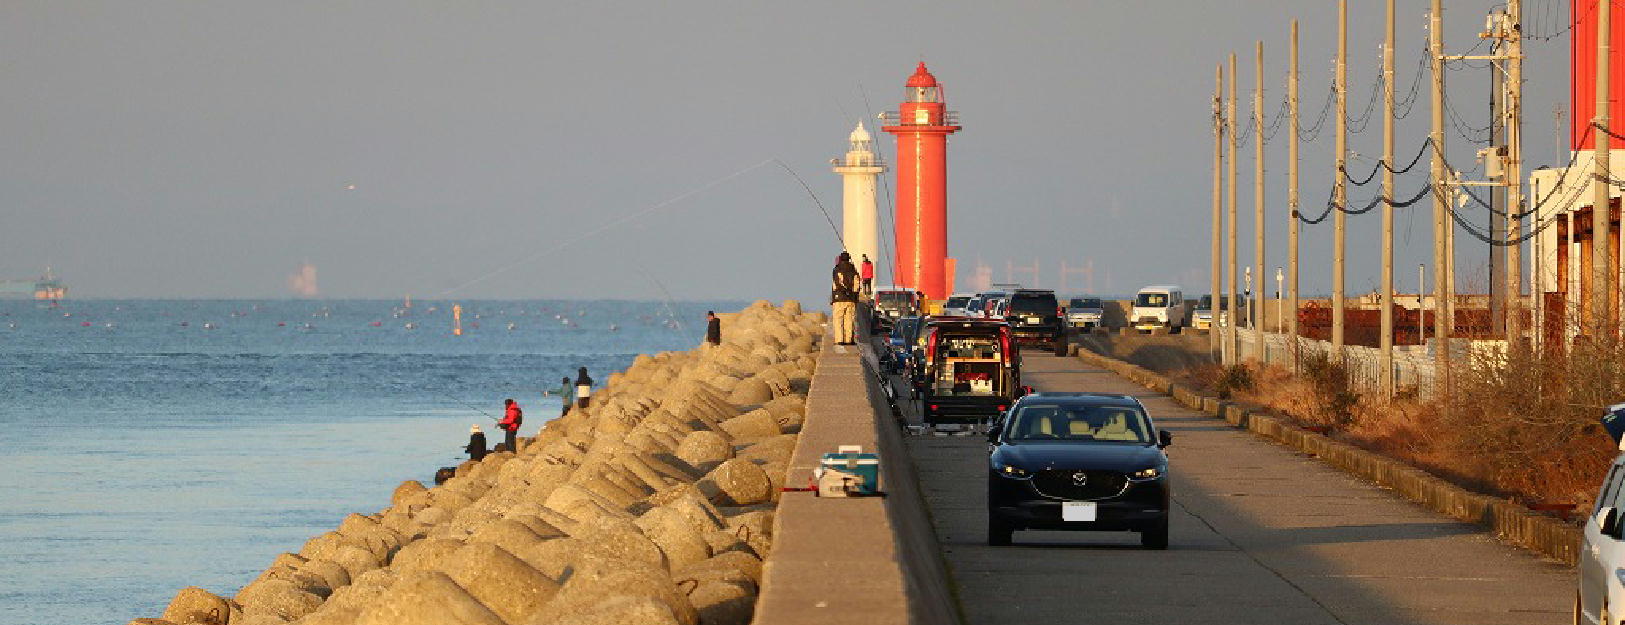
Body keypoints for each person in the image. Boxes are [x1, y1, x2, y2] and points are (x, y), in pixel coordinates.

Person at [831, 251, 860, 345]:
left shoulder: (837, 269)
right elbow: (857, 285)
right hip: (851, 299)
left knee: (838, 319)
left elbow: (836, 284)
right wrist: (854, 296)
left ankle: (839, 340)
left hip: (839, 298)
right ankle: (849, 339)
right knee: (849, 319)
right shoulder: (853, 270)